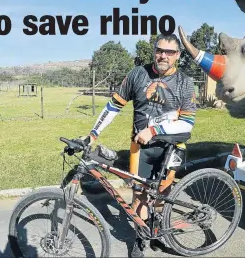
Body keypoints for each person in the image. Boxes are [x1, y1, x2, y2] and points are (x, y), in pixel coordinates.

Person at [82, 33, 197, 257]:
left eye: (169, 52)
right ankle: (140, 239)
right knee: (140, 196)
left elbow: (188, 124)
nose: (163, 55)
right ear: (154, 51)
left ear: (178, 55)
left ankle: (158, 232)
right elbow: (114, 106)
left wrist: (154, 130)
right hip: (140, 148)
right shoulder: (138, 74)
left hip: (171, 147)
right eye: (159, 50)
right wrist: (93, 134)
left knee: (164, 193)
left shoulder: (185, 82)